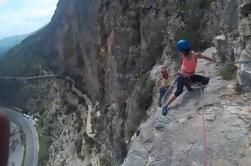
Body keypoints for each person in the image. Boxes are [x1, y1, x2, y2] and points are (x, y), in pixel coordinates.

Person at [162, 39, 217, 116]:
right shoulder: (182, 55)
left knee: (206, 80)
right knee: (178, 91)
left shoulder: (195, 55)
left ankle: (189, 84)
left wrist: (215, 61)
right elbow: (181, 65)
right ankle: (166, 106)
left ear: (185, 49)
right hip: (182, 76)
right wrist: (179, 72)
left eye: (181, 50)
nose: (180, 52)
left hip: (190, 76)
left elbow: (205, 57)